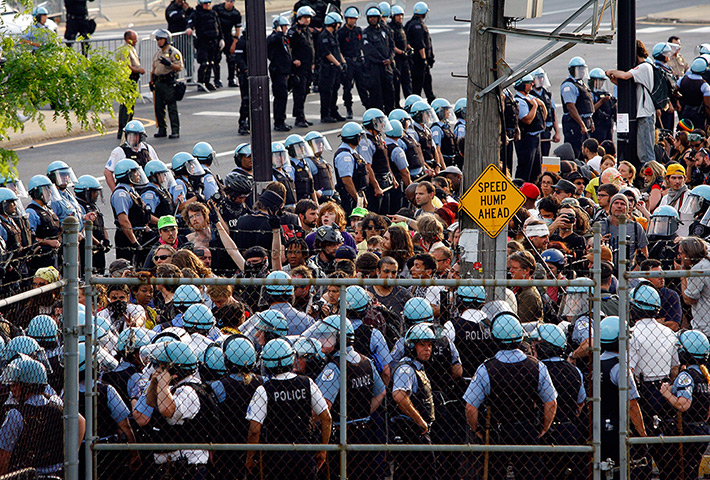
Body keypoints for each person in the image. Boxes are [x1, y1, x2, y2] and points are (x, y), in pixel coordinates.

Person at [464, 312, 557, 480]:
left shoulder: (486, 368)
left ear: (495, 338)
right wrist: (543, 427)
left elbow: (471, 407)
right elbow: (551, 402)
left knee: (495, 473)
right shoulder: (537, 366)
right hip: (527, 429)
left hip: (497, 431)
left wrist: (476, 429)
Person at [307, 315, 387, 479]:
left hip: (341, 435)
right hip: (365, 434)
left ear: (339, 338)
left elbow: (324, 407)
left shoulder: (334, 368)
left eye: (326, 336)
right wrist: (363, 412)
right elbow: (381, 392)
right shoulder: (366, 362)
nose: (321, 340)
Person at [245, 338, 332, 480]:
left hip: (276, 455)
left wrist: (250, 457)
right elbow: (326, 417)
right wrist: (323, 449)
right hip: (304, 451)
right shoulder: (307, 383)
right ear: (291, 358)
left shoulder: (264, 390)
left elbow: (255, 430)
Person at [0, 357, 70, 477]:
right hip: (57, 473)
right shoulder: (57, 404)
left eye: (16, 384)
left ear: (28, 386)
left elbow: (3, 455)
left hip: (25, 475)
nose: (12, 389)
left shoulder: (16, 414)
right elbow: (80, 421)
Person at [599, 316, 647, 479]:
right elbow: (631, 404)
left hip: (598, 425)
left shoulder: (596, 363)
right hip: (617, 428)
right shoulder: (620, 367)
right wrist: (642, 435)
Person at [658, 330, 710, 480]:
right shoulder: (704, 375)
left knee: (677, 472)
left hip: (686, 429)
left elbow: (683, 404)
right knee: (690, 471)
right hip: (701, 427)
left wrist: (666, 393)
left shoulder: (686, 376)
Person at [391, 323, 438, 480]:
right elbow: (399, 396)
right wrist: (420, 421)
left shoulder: (418, 367)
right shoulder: (406, 369)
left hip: (417, 432)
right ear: (412, 346)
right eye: (422, 345)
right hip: (410, 432)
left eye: (430, 345)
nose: (427, 349)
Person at [606, 41, 656, 166]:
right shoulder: (644, 68)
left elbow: (624, 76)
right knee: (641, 151)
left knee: (645, 152)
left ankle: (653, 176)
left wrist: (611, 71)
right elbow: (633, 88)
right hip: (641, 113)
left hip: (645, 113)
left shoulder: (644, 66)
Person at [110, 160, 152, 264]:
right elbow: (124, 222)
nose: (138, 175)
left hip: (139, 234)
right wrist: (135, 243)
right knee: (128, 268)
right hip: (128, 239)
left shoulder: (132, 191)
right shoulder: (121, 194)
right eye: (135, 172)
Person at [105, 120, 159, 191]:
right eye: (129, 135)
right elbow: (107, 172)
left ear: (141, 136)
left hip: (147, 189)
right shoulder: (119, 151)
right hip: (130, 190)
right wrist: (115, 190)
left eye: (134, 135)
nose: (131, 138)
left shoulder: (148, 149)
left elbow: (157, 168)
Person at [150, 29, 183, 139]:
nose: (159, 42)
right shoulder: (158, 53)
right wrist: (152, 81)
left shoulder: (173, 52)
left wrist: (170, 64)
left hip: (168, 83)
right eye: (158, 39)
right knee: (158, 108)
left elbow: (179, 67)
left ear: (167, 39)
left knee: (172, 108)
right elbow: (154, 68)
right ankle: (162, 129)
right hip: (159, 82)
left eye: (161, 39)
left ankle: (175, 130)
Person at [26, 175, 62, 273]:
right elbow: (30, 237)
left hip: (55, 256)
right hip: (42, 259)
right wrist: (48, 242)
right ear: (38, 192)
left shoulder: (48, 210)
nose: (50, 192)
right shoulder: (32, 212)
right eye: (46, 189)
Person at [337, 6, 368, 118]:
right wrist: (343, 61)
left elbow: (362, 46)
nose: (352, 21)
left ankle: (368, 107)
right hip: (348, 61)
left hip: (358, 61)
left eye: (354, 19)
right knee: (347, 88)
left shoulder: (358, 30)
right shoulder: (341, 32)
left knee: (363, 86)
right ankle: (349, 108)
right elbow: (338, 48)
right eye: (350, 18)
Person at [514, 74, 546, 182]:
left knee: (536, 168)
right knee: (525, 167)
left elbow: (543, 109)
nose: (532, 84)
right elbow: (527, 119)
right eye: (529, 83)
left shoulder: (530, 98)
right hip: (526, 139)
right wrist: (535, 107)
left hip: (535, 137)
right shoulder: (520, 101)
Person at [362, 6, 395, 113]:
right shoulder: (366, 33)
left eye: (374, 17)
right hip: (374, 69)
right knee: (376, 95)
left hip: (387, 67)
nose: (372, 19)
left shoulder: (385, 30)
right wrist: (381, 61)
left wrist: (389, 59)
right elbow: (369, 52)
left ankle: (390, 113)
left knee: (390, 91)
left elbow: (391, 46)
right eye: (370, 17)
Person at [74, 175, 109, 274]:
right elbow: (86, 229)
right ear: (86, 192)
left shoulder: (94, 206)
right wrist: (98, 244)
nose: (97, 195)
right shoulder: (80, 207)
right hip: (89, 248)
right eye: (95, 192)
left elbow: (101, 224)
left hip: (99, 248)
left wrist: (106, 239)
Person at [561, 56, 595, 157]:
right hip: (574, 123)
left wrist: (590, 121)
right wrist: (581, 125)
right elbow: (571, 107)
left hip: (585, 121)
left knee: (585, 152)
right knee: (575, 150)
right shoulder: (569, 86)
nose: (582, 72)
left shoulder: (581, 84)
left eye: (582, 69)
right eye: (579, 69)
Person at [288, 6, 316, 128]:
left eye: (309, 17)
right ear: (299, 17)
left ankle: (301, 115)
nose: (307, 20)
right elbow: (288, 49)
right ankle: (299, 117)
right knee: (299, 93)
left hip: (307, 67)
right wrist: (294, 60)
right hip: (299, 69)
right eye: (305, 17)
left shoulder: (307, 31)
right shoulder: (294, 32)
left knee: (305, 92)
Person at [187, 0, 223, 91]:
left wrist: (221, 38)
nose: (207, 5)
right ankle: (201, 82)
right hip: (203, 42)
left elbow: (218, 26)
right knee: (204, 63)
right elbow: (190, 23)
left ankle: (207, 82)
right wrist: (189, 28)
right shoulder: (196, 14)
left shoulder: (213, 13)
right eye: (205, 4)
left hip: (213, 41)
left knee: (211, 63)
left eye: (208, 3)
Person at [317, 13, 346, 123]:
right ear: (333, 23)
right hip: (327, 69)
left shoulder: (334, 35)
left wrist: (343, 62)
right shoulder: (324, 37)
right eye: (338, 24)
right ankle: (325, 114)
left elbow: (338, 51)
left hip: (335, 68)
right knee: (326, 92)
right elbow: (327, 54)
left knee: (334, 91)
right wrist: (338, 63)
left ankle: (334, 111)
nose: (339, 26)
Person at [334, 122, 369, 215]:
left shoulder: (352, 152)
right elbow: (347, 181)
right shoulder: (345, 155)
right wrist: (357, 199)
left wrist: (361, 196)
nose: (361, 139)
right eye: (359, 136)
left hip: (354, 194)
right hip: (348, 197)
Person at [116, 30, 145, 138]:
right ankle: (123, 130)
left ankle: (128, 128)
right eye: (135, 39)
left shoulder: (131, 48)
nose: (136, 41)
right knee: (126, 107)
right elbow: (127, 66)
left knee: (130, 107)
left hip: (133, 80)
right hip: (127, 80)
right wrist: (139, 70)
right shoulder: (124, 50)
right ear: (128, 40)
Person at [268, 15, 293, 132]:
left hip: (284, 72)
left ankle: (281, 119)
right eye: (284, 26)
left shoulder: (283, 38)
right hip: (277, 72)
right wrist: (278, 31)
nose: (286, 29)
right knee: (280, 96)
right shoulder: (274, 37)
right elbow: (274, 40)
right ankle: (279, 122)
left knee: (283, 96)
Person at [405, 2, 434, 103]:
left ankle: (429, 100)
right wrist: (424, 59)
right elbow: (420, 44)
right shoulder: (418, 26)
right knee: (419, 84)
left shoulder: (409, 24)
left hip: (413, 60)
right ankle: (416, 103)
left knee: (424, 83)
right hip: (419, 61)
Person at [531, 68, 560, 156]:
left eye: (542, 78)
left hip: (547, 131)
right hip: (536, 131)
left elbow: (553, 113)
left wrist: (557, 132)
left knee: (545, 156)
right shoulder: (530, 94)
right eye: (538, 78)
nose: (540, 80)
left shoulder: (547, 93)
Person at [676, 56, 710, 131]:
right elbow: (707, 105)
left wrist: (678, 100)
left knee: (684, 133)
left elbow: (675, 91)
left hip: (684, 112)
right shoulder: (704, 86)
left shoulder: (682, 80)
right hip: (698, 116)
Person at [304, 131, 339, 204]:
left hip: (330, 199)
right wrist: (321, 197)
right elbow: (309, 186)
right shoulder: (308, 162)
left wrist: (335, 193)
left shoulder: (321, 160)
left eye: (321, 142)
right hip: (320, 200)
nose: (320, 145)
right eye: (317, 142)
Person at [213, 0, 241, 88]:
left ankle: (231, 79)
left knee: (231, 59)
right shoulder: (217, 9)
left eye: (231, 1)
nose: (229, 3)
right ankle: (217, 80)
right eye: (228, 1)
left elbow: (237, 29)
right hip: (217, 36)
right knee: (216, 59)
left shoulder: (235, 14)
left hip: (228, 36)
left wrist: (235, 42)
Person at [285, 134, 318, 203]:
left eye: (302, 146)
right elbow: (292, 188)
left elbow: (311, 188)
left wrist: (316, 203)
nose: (302, 148)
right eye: (298, 147)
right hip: (300, 202)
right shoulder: (291, 166)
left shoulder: (305, 163)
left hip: (309, 201)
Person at [389, 5, 411, 109]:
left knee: (407, 83)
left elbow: (405, 41)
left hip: (404, 59)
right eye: (397, 16)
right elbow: (391, 46)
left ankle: (409, 104)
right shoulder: (390, 29)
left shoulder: (402, 27)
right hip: (397, 59)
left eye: (401, 16)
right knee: (396, 83)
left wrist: (409, 48)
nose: (400, 18)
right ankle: (396, 104)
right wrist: (401, 52)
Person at [588, 67, 616, 143]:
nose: (600, 83)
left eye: (601, 81)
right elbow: (591, 110)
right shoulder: (591, 95)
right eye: (597, 81)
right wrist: (601, 102)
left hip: (608, 125)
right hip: (597, 124)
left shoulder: (606, 94)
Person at [233, 29, 249, 134]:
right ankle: (242, 123)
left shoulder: (254, 41)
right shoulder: (242, 42)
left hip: (254, 74)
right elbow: (238, 58)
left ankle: (251, 122)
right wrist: (245, 69)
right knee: (246, 100)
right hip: (244, 75)